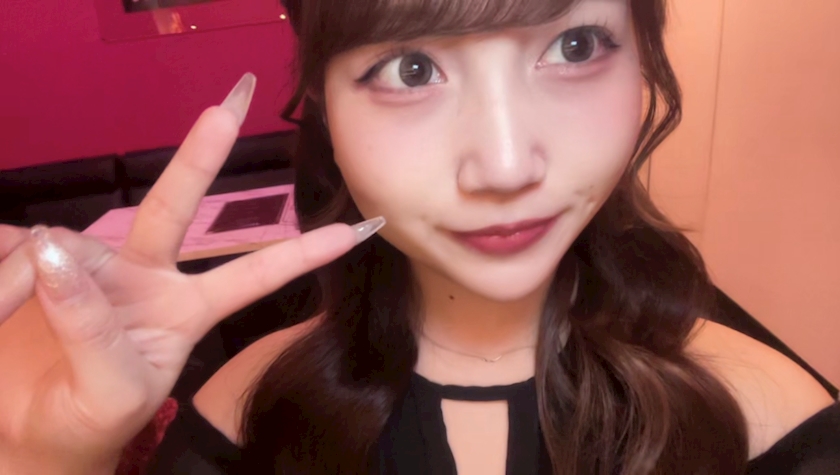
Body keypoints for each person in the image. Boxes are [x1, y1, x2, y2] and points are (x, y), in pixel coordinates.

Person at [1, 0, 838, 473]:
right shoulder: (248, 416)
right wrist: (46, 457)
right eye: (412, 68)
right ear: (326, 111)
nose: (505, 164)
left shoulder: (768, 421)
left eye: (575, 46)